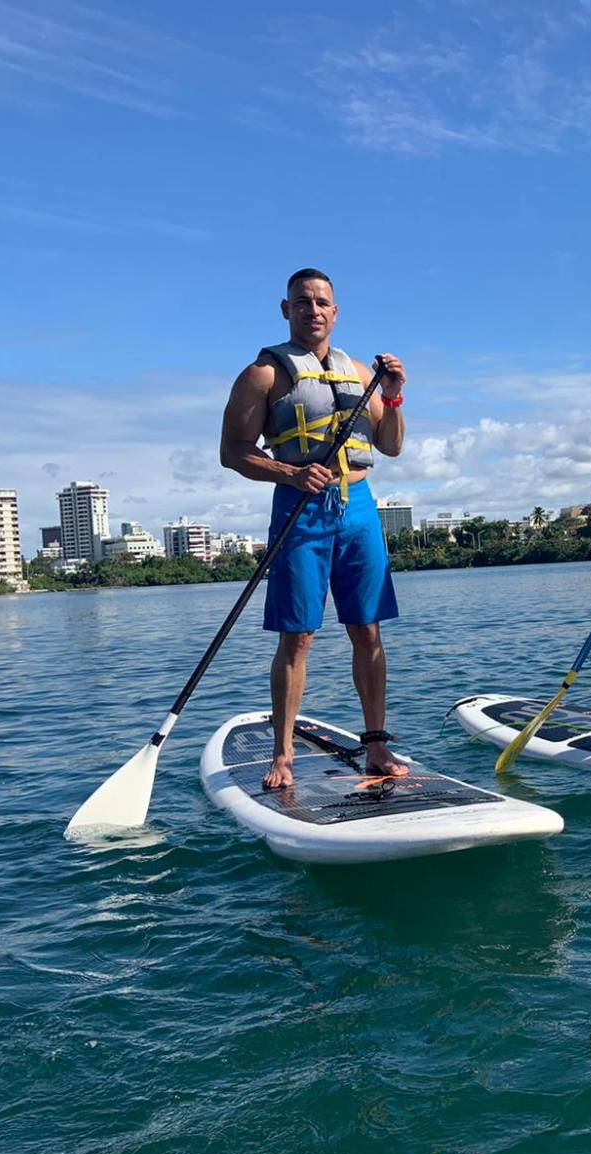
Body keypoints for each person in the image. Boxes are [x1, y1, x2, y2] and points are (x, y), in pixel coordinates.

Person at [220, 268, 409, 788]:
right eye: (302, 302)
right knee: (298, 636)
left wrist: (392, 397)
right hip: (300, 508)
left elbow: (390, 445)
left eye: (322, 302)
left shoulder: (356, 370)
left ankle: (376, 745)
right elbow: (231, 452)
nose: (313, 310)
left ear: (335, 310)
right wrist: (290, 472)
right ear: (286, 310)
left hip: (360, 507)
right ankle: (282, 754)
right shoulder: (264, 373)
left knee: (367, 629)